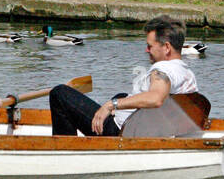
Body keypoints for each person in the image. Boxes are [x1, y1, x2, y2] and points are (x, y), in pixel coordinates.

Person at [48, 16, 197, 137]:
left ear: (166, 47)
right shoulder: (187, 73)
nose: (146, 50)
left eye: (150, 46)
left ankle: (64, 149)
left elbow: (156, 99)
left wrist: (111, 104)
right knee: (122, 95)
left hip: (119, 133)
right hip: (146, 128)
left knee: (60, 93)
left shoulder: (162, 69)